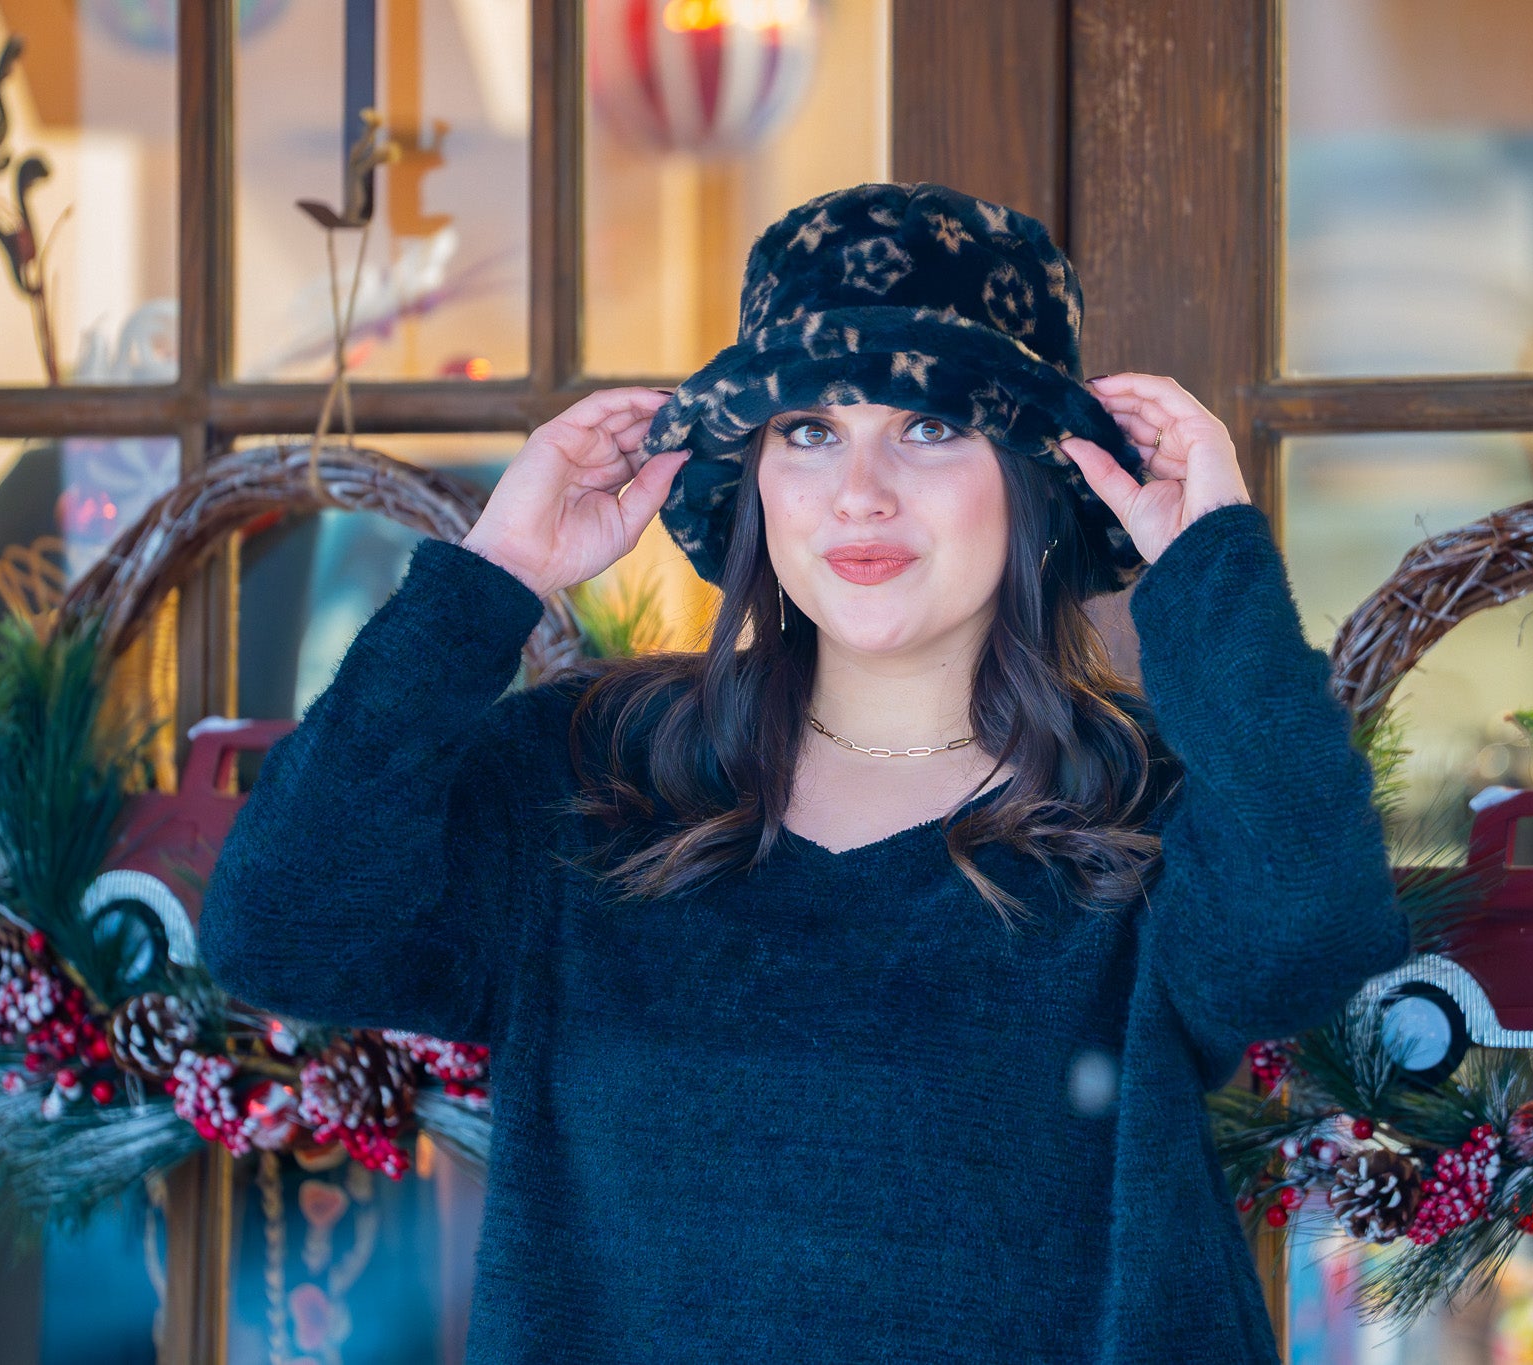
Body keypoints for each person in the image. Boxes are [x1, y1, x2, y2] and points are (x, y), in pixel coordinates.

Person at [198, 182, 1411, 1363]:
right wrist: (492, 577)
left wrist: (1212, 570)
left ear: (1037, 480)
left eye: (930, 428)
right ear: (754, 482)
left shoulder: (1148, 805)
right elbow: (284, 933)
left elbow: (1310, 934)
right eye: (810, 432)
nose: (860, 493)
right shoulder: (586, 779)